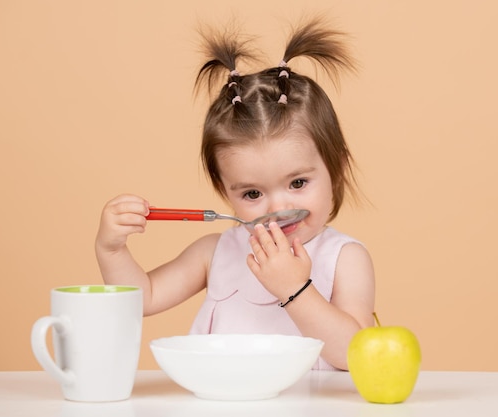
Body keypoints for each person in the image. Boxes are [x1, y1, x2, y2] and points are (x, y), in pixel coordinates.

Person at [95, 17, 375, 371]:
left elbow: (358, 355)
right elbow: (142, 298)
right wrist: (111, 249)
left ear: (335, 171)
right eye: (253, 193)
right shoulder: (216, 252)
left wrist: (295, 289)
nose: (278, 207)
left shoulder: (344, 258)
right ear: (225, 191)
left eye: (298, 183)